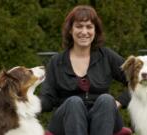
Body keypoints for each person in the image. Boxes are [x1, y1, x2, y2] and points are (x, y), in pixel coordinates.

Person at [40, 5, 132, 135]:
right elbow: (48, 98)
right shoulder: (57, 62)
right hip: (67, 120)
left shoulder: (106, 56)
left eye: (89, 27)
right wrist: (29, 104)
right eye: (79, 26)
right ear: (70, 30)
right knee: (73, 102)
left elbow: (137, 81)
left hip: (103, 118)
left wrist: (119, 102)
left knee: (106, 100)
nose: (84, 32)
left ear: (95, 31)